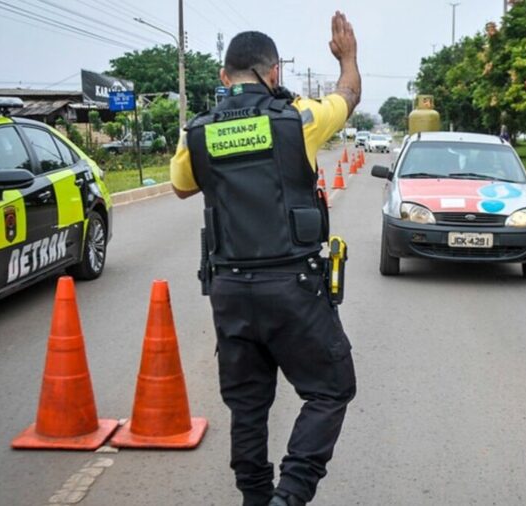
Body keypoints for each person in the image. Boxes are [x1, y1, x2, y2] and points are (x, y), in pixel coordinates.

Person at [169, 12, 361, 506]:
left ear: (222, 77)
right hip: (292, 286)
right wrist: (348, 58)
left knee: (248, 406)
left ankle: (256, 498)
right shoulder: (301, 118)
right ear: (274, 72)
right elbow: (350, 95)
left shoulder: (198, 131)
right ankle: (289, 496)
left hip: (230, 291)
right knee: (331, 387)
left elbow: (181, 187)